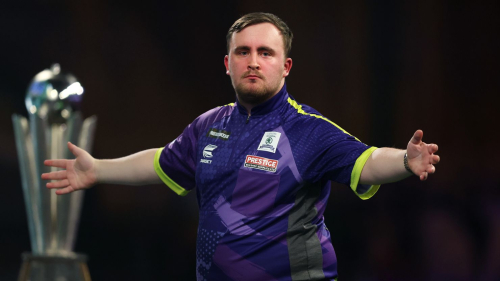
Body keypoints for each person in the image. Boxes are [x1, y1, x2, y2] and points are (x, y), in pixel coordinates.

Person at [42, 12, 440, 281]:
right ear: (227, 63)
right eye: (243, 52)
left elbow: (367, 161)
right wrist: (97, 169)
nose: (253, 61)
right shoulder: (208, 125)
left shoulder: (308, 129)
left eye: (265, 52)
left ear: (285, 66)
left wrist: (404, 160)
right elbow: (161, 162)